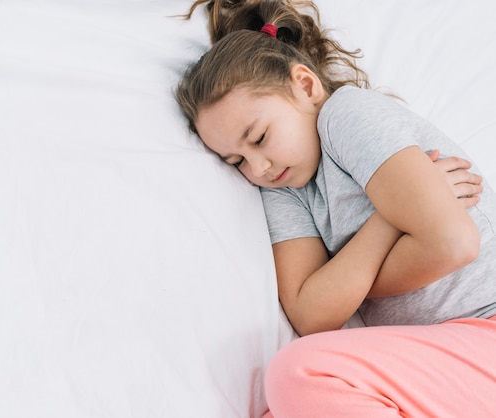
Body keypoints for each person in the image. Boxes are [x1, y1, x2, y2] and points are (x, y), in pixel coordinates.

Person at [176, 0, 496, 416]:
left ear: (305, 86)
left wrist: (340, 283)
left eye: (258, 138)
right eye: (236, 161)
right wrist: (386, 224)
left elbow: (453, 244)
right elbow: (311, 315)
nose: (257, 167)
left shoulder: (346, 116)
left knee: (301, 374)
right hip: (436, 358)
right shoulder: (283, 189)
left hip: (484, 327)